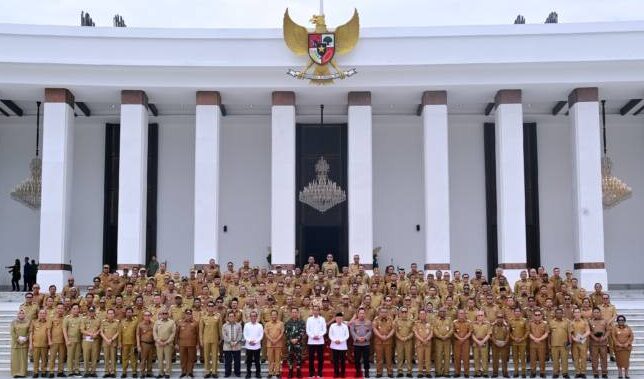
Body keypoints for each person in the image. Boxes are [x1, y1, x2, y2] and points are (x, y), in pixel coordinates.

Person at [200, 301, 222, 378]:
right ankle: (207, 371)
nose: (210, 307)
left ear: (214, 307)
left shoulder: (218, 316)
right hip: (206, 339)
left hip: (215, 339)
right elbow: (201, 330)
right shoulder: (203, 317)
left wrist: (221, 338)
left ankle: (214, 371)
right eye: (209, 306)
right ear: (207, 307)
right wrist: (201, 340)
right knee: (206, 356)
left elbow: (220, 328)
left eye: (212, 306)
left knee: (215, 356)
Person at [153, 309, 176, 378]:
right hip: (159, 343)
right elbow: (154, 332)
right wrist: (158, 340)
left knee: (168, 358)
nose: (164, 315)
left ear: (168, 314)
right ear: (161, 314)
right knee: (160, 359)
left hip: (168, 343)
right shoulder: (157, 322)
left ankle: (168, 373)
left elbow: (173, 333)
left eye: (166, 313)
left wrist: (167, 341)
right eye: (163, 313)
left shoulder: (172, 322)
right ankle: (161, 373)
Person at [176, 309, 199, 378]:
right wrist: (176, 344)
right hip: (182, 344)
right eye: (187, 314)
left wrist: (197, 344)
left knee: (191, 359)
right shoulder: (180, 322)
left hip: (192, 344)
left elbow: (198, 334)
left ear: (191, 315)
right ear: (185, 314)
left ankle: (190, 372)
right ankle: (183, 372)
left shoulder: (195, 323)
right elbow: (176, 334)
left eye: (189, 314)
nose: (188, 315)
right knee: (183, 359)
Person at [350, 308, 372, 378]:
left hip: (366, 344)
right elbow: (352, 331)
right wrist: (357, 338)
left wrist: (365, 338)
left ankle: (366, 371)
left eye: (363, 313)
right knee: (357, 359)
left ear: (365, 314)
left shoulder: (368, 322)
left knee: (366, 359)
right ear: (358, 314)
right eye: (360, 313)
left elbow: (370, 331)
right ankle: (358, 371)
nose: (362, 315)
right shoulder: (354, 322)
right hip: (357, 344)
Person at [549, 307, 571, 379]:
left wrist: (569, 342)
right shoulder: (551, 322)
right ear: (555, 314)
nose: (559, 314)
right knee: (555, 360)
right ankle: (556, 373)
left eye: (560, 313)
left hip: (564, 344)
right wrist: (549, 343)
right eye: (557, 313)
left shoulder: (567, 322)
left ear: (562, 314)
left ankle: (565, 373)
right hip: (554, 344)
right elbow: (549, 334)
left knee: (564, 360)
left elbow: (569, 333)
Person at [284, 308, 306, 378]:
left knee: (298, 357)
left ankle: (298, 371)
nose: (294, 314)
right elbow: (286, 332)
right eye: (293, 312)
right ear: (291, 313)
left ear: (298, 313)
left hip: (298, 343)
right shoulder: (288, 322)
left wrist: (297, 339)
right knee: (290, 357)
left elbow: (302, 332)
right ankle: (290, 371)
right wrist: (291, 339)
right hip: (290, 343)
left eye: (295, 312)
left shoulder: (301, 322)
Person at [306, 306, 327, 378]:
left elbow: (324, 330)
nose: (315, 312)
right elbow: (307, 330)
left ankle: (319, 373)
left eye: (317, 310)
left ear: (319, 311)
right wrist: (312, 336)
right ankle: (311, 373)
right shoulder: (309, 319)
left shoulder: (322, 319)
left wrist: (319, 336)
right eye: (314, 310)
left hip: (320, 341)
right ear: (312, 311)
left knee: (320, 358)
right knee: (311, 358)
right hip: (311, 341)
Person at [80, 307, 101, 378]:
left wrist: (96, 334)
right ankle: (86, 372)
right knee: (86, 356)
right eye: (90, 311)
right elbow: (82, 330)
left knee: (94, 357)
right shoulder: (84, 319)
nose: (91, 313)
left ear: (95, 312)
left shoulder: (98, 320)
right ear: (88, 312)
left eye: (92, 311)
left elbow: (100, 329)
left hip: (95, 340)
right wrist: (90, 334)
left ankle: (93, 372)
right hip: (86, 340)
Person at [589, 307, 610, 379]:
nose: (596, 313)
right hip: (594, 343)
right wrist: (594, 337)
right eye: (595, 312)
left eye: (598, 312)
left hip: (603, 343)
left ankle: (604, 372)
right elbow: (589, 331)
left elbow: (608, 331)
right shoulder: (590, 321)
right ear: (592, 313)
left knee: (604, 358)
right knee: (594, 358)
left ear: (600, 313)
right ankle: (595, 373)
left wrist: (604, 337)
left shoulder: (605, 321)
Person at [63, 304, 83, 377]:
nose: (75, 310)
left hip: (79, 340)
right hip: (70, 340)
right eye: (74, 308)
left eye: (77, 309)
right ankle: (70, 371)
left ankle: (77, 370)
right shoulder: (67, 318)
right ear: (71, 310)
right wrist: (66, 340)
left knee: (77, 356)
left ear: (79, 310)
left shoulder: (81, 318)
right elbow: (64, 330)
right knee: (70, 356)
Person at [570, 308, 590, 378]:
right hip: (575, 343)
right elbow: (571, 333)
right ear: (573, 314)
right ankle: (577, 372)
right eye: (575, 312)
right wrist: (574, 339)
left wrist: (581, 337)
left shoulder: (584, 322)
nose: (577, 313)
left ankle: (583, 372)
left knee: (583, 357)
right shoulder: (571, 323)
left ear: (580, 313)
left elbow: (588, 331)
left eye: (578, 312)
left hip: (583, 342)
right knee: (575, 358)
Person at [529, 310, 549, 378]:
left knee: (542, 359)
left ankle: (542, 372)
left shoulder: (545, 324)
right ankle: (533, 372)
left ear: (541, 315)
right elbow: (529, 333)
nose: (537, 316)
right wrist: (534, 339)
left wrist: (539, 339)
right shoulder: (530, 323)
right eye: (536, 315)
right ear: (533, 316)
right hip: (533, 343)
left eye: (539, 315)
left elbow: (546, 333)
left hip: (542, 343)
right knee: (533, 359)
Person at [222, 311, 243, 378]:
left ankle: (237, 372)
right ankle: (227, 373)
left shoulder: (239, 325)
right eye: (230, 316)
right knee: (228, 361)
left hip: (237, 345)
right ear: (228, 317)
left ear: (235, 317)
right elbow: (224, 335)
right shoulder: (224, 325)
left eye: (232, 316)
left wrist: (236, 342)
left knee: (237, 361)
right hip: (227, 346)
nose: (231, 317)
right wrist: (230, 342)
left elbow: (240, 334)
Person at [243, 311, 263, 379]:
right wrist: (249, 341)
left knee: (257, 361)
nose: (253, 317)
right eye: (252, 316)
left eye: (255, 316)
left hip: (257, 346)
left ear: (256, 317)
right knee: (248, 361)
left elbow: (261, 335)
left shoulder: (260, 325)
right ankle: (248, 373)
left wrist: (256, 341)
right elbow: (245, 334)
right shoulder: (246, 325)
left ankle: (258, 373)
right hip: (249, 346)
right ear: (250, 317)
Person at [100, 309, 120, 378]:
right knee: (106, 358)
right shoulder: (103, 322)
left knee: (113, 358)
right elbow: (101, 332)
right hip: (105, 343)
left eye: (112, 313)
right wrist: (106, 339)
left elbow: (118, 332)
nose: (110, 315)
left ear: (114, 314)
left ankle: (113, 372)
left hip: (113, 342)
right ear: (107, 314)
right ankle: (106, 372)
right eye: (109, 313)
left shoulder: (117, 322)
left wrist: (111, 339)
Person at [453, 309, 473, 378]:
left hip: (466, 342)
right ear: (457, 314)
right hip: (457, 341)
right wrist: (459, 338)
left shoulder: (469, 322)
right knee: (457, 357)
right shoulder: (454, 322)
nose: (461, 315)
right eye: (460, 313)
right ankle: (457, 372)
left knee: (466, 357)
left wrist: (464, 338)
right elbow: (453, 331)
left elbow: (470, 332)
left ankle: (466, 372)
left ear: (465, 314)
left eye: (462, 313)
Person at [264, 310, 284, 378]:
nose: (274, 316)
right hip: (270, 344)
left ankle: (277, 372)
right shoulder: (267, 324)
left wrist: (276, 340)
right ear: (271, 315)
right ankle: (270, 372)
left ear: (277, 315)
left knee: (278, 359)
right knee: (270, 359)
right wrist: (272, 340)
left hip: (278, 344)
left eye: (275, 314)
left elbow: (282, 333)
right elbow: (266, 333)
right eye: (272, 314)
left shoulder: (281, 323)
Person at [471, 310, 491, 378]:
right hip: (475, 343)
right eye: (478, 315)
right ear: (476, 316)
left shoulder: (487, 324)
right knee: (476, 358)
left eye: (481, 315)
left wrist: (482, 341)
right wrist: (478, 341)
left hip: (484, 343)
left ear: (484, 316)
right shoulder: (473, 324)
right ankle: (477, 372)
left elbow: (489, 334)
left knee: (484, 358)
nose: (480, 316)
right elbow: (472, 334)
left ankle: (485, 372)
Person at [329, 312, 349, 378]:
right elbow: (330, 335)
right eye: (338, 318)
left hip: (343, 346)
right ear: (335, 319)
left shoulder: (345, 326)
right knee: (335, 361)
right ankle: (336, 373)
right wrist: (335, 340)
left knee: (343, 361)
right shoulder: (332, 326)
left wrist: (340, 341)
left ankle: (343, 373)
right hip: (334, 346)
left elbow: (347, 336)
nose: (339, 320)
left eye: (340, 318)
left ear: (342, 319)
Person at [30, 309, 49, 378]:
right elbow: (31, 333)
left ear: (45, 315)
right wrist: (30, 344)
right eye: (40, 313)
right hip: (36, 345)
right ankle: (35, 372)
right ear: (38, 314)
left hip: (44, 345)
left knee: (44, 359)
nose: (42, 314)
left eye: (43, 313)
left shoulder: (48, 323)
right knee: (36, 360)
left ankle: (44, 371)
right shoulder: (34, 322)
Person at [120, 307, 139, 378]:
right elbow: (120, 333)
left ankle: (134, 372)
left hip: (133, 343)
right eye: (127, 312)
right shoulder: (122, 321)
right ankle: (124, 372)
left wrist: (137, 343)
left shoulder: (136, 321)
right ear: (125, 313)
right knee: (124, 358)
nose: (129, 313)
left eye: (130, 312)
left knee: (133, 359)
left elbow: (137, 333)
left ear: (132, 313)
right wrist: (119, 343)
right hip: (124, 343)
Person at [11, 309, 30, 378]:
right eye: (20, 313)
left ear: (25, 314)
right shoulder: (13, 322)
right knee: (15, 359)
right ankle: (15, 373)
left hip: (24, 343)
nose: (21, 314)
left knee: (23, 359)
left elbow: (29, 331)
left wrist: (26, 338)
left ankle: (22, 373)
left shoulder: (28, 322)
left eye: (22, 313)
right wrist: (18, 339)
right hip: (16, 343)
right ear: (17, 314)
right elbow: (12, 332)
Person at [136, 311, 155, 378]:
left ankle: (149, 372)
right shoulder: (140, 324)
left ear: (150, 316)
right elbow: (138, 335)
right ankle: (142, 373)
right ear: (143, 316)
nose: (147, 317)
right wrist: (138, 345)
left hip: (152, 344)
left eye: (148, 315)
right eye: (146, 315)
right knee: (143, 359)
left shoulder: (153, 324)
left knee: (150, 359)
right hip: (144, 344)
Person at [491, 313, 510, 378]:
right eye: (498, 317)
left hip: (504, 344)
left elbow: (508, 335)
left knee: (504, 359)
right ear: (496, 318)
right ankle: (495, 373)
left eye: (501, 317)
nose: (500, 319)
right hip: (495, 344)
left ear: (503, 318)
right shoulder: (493, 326)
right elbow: (492, 335)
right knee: (495, 359)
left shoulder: (506, 326)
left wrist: (505, 342)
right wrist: (495, 342)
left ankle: (505, 373)